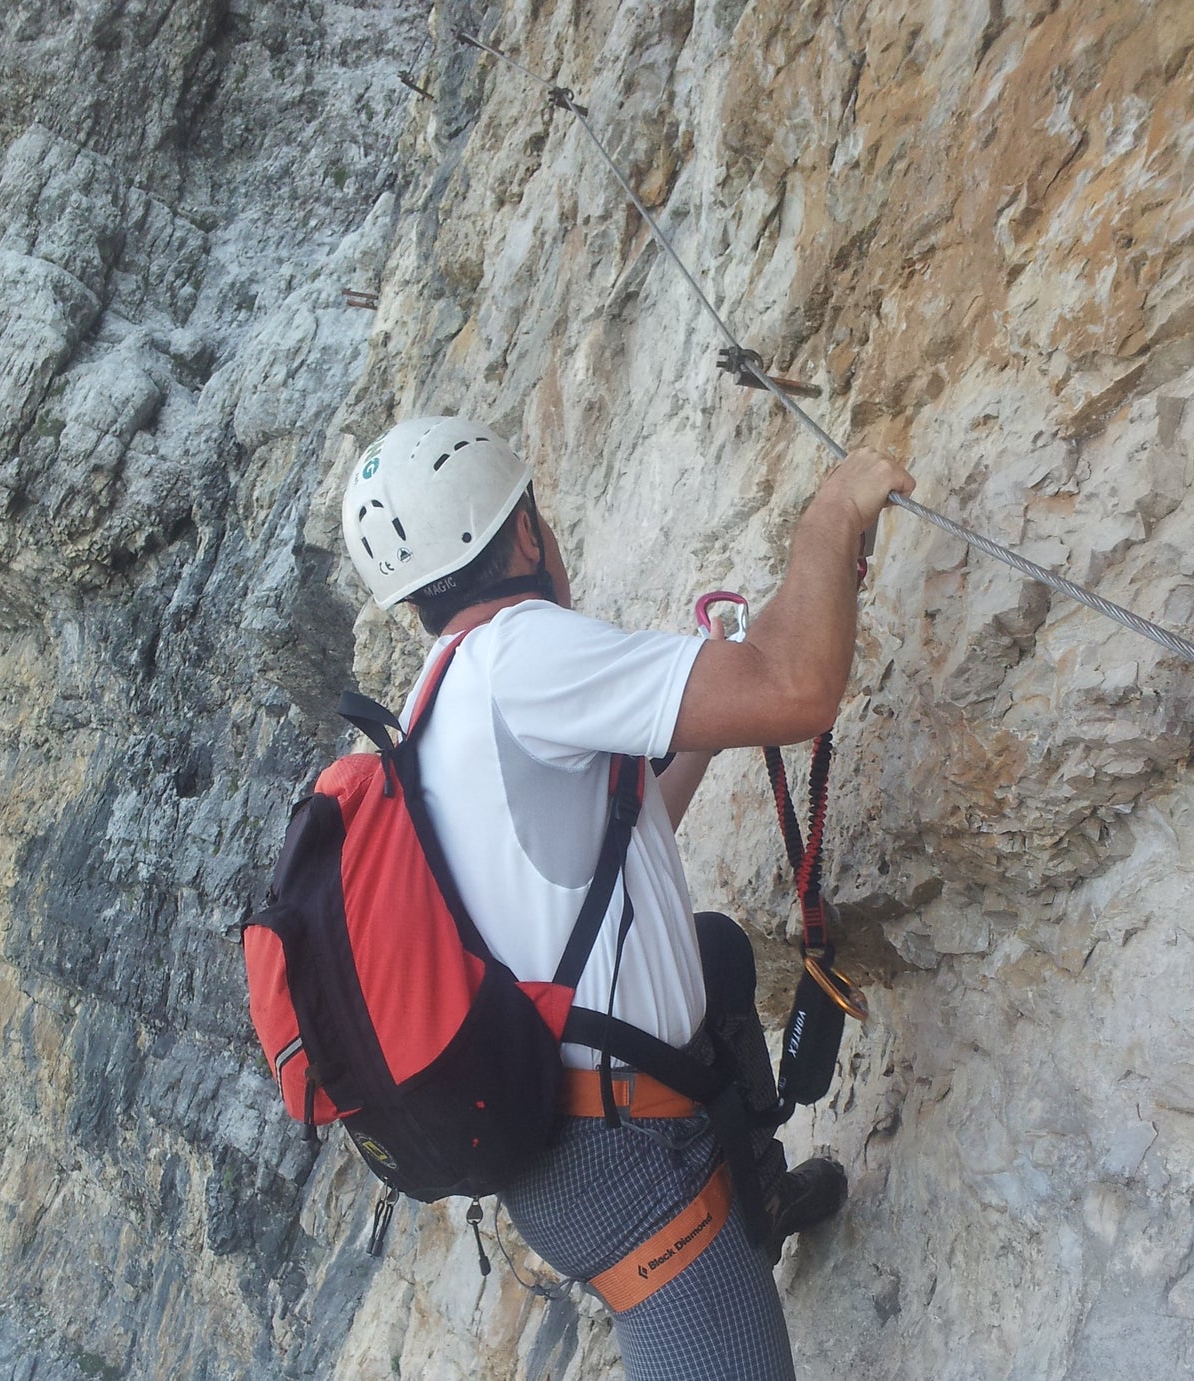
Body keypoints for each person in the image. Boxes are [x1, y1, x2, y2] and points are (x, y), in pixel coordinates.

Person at [340, 415, 915, 1380]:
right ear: (523, 533)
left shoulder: (442, 700)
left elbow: (619, 832)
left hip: (565, 1133)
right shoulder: (525, 654)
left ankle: (751, 1201)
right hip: (628, 1162)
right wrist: (830, 511)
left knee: (717, 953)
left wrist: (712, 688)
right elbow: (798, 686)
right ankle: (725, 1241)